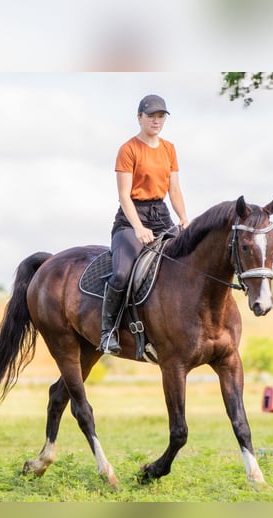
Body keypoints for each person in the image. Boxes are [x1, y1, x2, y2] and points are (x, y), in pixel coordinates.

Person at [99, 94, 189, 354]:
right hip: (130, 218)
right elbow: (124, 195)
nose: (156, 121)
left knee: (182, 264)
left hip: (161, 215)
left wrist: (183, 218)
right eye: (151, 116)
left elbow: (174, 190)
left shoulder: (169, 148)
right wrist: (138, 227)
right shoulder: (128, 149)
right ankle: (108, 332)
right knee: (122, 274)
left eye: (161, 116)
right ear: (139, 118)